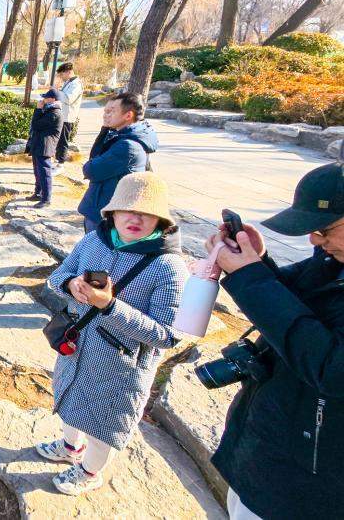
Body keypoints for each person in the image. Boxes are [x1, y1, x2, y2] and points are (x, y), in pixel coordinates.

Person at [202, 162, 344, 519]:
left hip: (310, 485)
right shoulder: (332, 260)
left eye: (324, 229)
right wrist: (258, 262)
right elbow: (299, 307)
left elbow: (331, 368)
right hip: (270, 453)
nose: (314, 240)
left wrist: (251, 278)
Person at [40, 172, 188, 496]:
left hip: (120, 367)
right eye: (127, 210)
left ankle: (90, 472)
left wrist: (110, 307)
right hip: (78, 347)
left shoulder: (169, 267)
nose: (136, 218)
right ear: (112, 213)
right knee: (69, 399)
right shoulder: (95, 239)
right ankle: (69, 447)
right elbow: (58, 275)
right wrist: (70, 284)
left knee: (102, 424)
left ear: (161, 220)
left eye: (147, 213)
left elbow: (167, 335)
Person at [77, 92, 157, 233]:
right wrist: (105, 130)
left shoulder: (127, 146)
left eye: (111, 111)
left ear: (128, 116)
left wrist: (91, 164)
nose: (106, 115)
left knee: (97, 251)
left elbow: (90, 169)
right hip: (104, 206)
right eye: (105, 111)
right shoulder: (120, 136)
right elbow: (96, 157)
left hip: (106, 212)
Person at [26, 88, 65, 209]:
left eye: (46, 97)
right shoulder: (49, 110)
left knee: (44, 172)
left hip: (45, 146)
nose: (43, 100)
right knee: (37, 171)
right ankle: (38, 193)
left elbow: (36, 124)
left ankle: (46, 198)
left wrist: (38, 109)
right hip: (39, 144)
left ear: (52, 99)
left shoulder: (54, 113)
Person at [53, 62, 84, 175]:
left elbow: (69, 98)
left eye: (62, 74)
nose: (61, 77)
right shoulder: (68, 82)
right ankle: (57, 160)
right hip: (62, 114)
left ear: (68, 72)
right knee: (58, 139)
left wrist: (56, 92)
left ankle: (61, 163)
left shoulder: (76, 84)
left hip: (67, 116)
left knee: (63, 141)